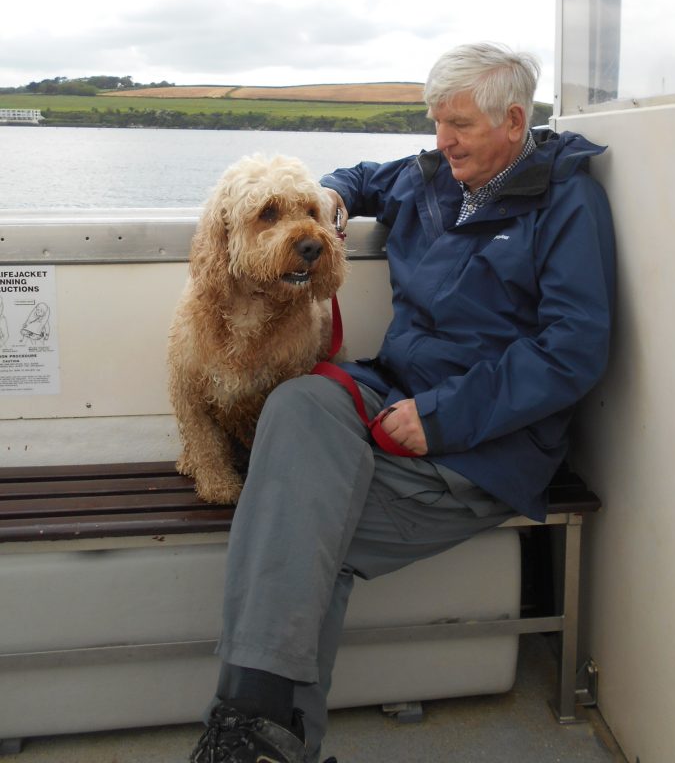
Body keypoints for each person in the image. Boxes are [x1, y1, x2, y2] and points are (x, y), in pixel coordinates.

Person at [189, 42, 616, 763]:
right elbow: (351, 180)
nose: (441, 140)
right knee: (295, 404)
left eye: (459, 125)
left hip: (483, 443)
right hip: (390, 393)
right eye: (435, 121)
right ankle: (264, 737)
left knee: (293, 539)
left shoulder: (567, 201)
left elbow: (573, 349)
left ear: (514, 121)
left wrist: (444, 415)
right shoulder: (433, 179)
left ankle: (255, 732)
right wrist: (324, 201)